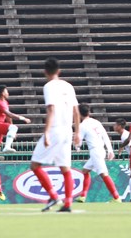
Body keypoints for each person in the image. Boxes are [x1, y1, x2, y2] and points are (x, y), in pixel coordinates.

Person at [30, 57, 80, 213]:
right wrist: (77, 132)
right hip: (67, 130)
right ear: (59, 71)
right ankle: (67, 203)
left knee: (35, 165)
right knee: (65, 169)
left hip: (56, 129)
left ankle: (53, 195)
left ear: (45, 72)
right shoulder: (68, 86)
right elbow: (76, 111)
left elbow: (51, 109)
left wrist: (46, 132)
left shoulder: (49, 86)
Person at [74, 104, 121, 203]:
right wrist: (110, 150)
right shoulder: (96, 122)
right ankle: (83, 196)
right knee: (85, 171)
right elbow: (105, 136)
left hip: (95, 152)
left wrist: (77, 147)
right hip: (101, 150)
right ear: (89, 112)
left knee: (104, 174)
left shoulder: (82, 126)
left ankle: (116, 197)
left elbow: (79, 141)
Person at [0, 85, 31, 152]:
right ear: (2, 93)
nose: (8, 93)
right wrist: (23, 118)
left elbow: (8, 117)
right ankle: (7, 147)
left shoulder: (5, 102)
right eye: (6, 91)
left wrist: (12, 132)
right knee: (14, 127)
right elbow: (10, 114)